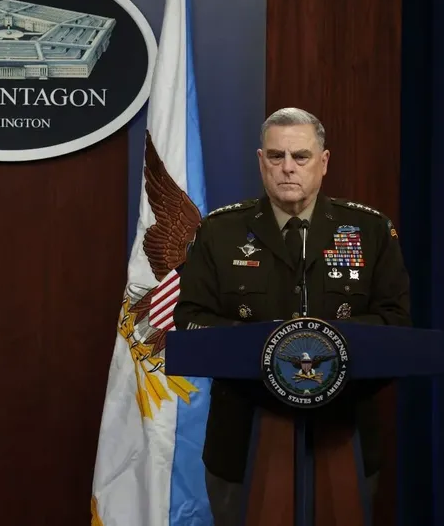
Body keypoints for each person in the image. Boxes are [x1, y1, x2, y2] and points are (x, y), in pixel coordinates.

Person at [173, 107, 411, 526]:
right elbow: (190, 319)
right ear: (261, 161)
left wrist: (324, 342)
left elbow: (396, 322)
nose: (288, 168)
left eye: (300, 157)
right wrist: (267, 346)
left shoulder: (369, 230)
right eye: (276, 156)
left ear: (323, 162)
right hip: (242, 434)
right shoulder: (220, 231)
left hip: (344, 431)